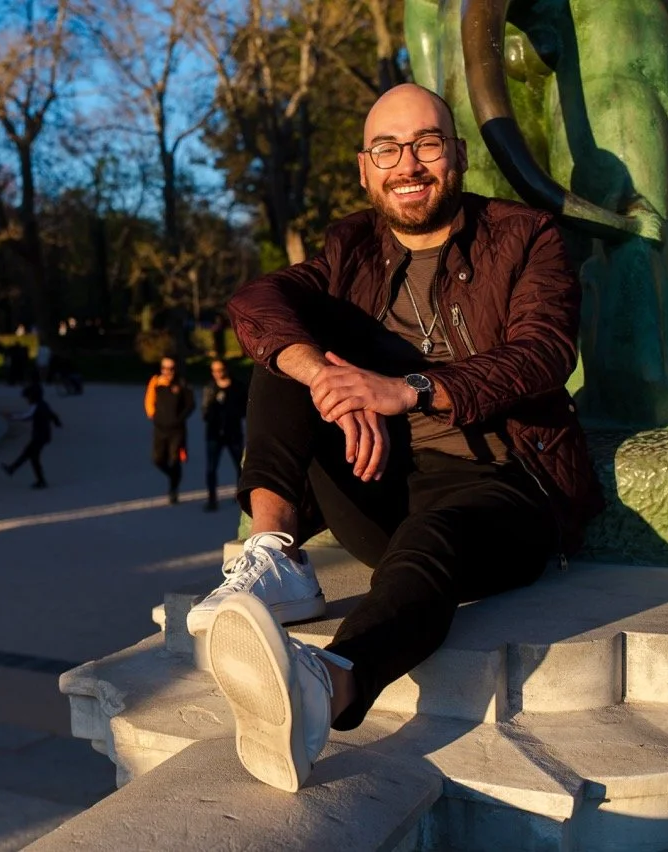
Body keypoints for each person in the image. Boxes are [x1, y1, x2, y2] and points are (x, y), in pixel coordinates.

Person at [189, 83, 602, 793]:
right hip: (379, 478)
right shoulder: (351, 247)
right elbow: (254, 302)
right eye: (387, 148)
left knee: (432, 538)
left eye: (427, 144)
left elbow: (543, 351)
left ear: (459, 156)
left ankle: (327, 687)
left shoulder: (524, 235)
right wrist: (325, 377)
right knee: (286, 357)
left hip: (503, 488)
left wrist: (407, 389)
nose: (407, 164)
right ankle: (275, 556)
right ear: (363, 167)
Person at [144, 356, 194, 504]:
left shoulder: (182, 383)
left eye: (171, 368)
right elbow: (149, 401)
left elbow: (191, 404)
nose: (168, 371)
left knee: (174, 460)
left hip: (177, 430)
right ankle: (174, 477)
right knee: (157, 460)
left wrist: (179, 418)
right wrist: (154, 415)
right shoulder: (156, 382)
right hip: (159, 428)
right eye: (164, 368)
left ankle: (173, 490)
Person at [201, 359, 247, 512]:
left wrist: (231, 410)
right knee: (211, 468)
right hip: (214, 434)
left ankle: (241, 497)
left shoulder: (238, 387)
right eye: (214, 370)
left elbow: (246, 410)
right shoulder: (210, 388)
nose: (218, 373)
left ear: (227, 369)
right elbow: (205, 412)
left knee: (240, 466)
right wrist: (215, 409)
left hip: (233, 432)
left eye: (220, 369)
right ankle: (212, 499)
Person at [1, 383, 63, 488]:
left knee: (32, 457)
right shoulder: (44, 404)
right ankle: (12, 469)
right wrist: (57, 423)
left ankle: (40, 481)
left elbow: (26, 416)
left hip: (39, 436)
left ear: (32, 397)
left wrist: (11, 416)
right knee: (28, 454)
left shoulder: (36, 406)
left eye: (27, 397)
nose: (26, 400)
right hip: (43, 436)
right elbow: (53, 415)